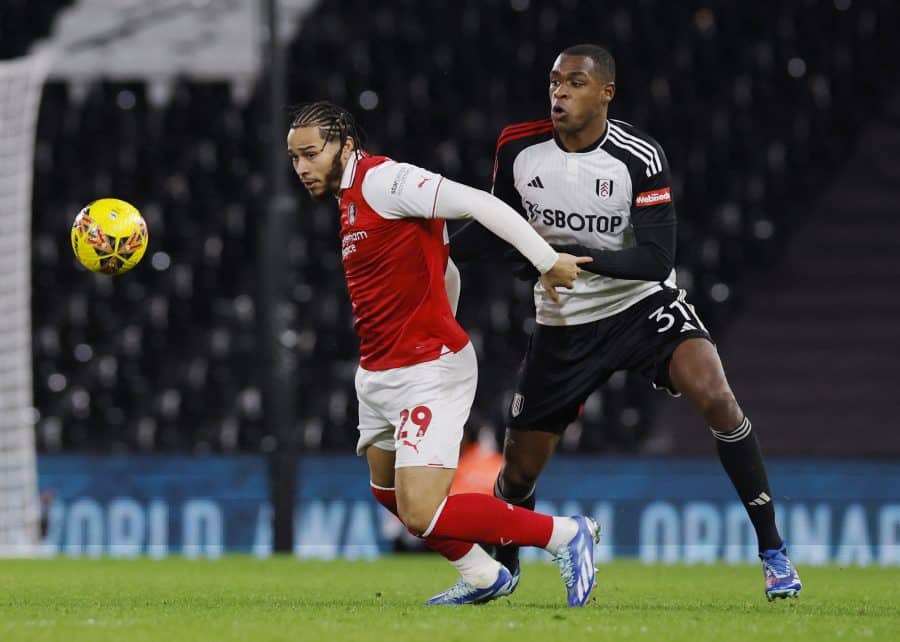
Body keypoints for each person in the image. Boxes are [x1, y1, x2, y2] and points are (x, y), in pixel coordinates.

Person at [450, 44, 802, 601]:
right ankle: (504, 572)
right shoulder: (518, 147)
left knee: (716, 395)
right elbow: (499, 226)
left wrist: (562, 253)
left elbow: (657, 259)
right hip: (564, 323)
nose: (559, 93)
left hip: (640, 306)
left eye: (575, 83)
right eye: (554, 82)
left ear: (605, 93)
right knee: (518, 472)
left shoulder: (638, 156)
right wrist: (433, 246)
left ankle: (774, 552)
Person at [286, 101, 600, 607]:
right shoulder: (348, 200)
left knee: (420, 512)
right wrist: (441, 308)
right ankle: (482, 576)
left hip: (426, 371)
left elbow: (482, 204)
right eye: (294, 158)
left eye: (310, 154)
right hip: (379, 370)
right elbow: (443, 262)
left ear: (345, 144)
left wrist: (545, 260)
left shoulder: (385, 181)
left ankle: (564, 534)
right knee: (386, 493)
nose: (301, 168)